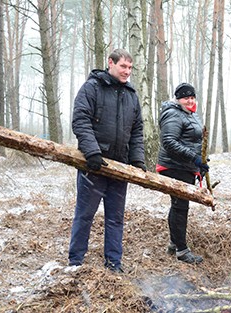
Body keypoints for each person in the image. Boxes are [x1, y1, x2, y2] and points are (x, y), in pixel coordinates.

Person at [69, 49, 146, 273]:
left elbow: (137, 130)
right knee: (84, 215)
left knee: (115, 219)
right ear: (110, 63)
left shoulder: (131, 95)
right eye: (123, 66)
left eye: (130, 68)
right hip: (93, 166)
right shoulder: (92, 87)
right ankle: (75, 262)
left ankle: (114, 263)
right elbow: (80, 120)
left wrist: (137, 160)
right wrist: (92, 152)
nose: (127, 71)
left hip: (120, 168)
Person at [156, 82, 209, 264]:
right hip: (174, 166)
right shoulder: (173, 113)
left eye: (192, 97)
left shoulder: (191, 115)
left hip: (186, 166)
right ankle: (182, 250)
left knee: (178, 205)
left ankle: (174, 243)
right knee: (180, 206)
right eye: (186, 97)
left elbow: (194, 141)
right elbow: (169, 142)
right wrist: (193, 158)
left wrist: (200, 163)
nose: (190, 100)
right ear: (178, 99)